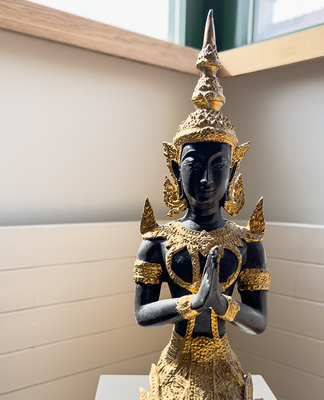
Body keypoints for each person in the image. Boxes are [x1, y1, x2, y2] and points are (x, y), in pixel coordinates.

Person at [134, 10, 270, 400]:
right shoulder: (158, 240)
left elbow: (258, 321)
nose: (207, 180)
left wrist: (223, 305)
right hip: (175, 367)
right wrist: (191, 303)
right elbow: (142, 314)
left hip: (224, 368)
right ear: (176, 171)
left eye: (219, 167)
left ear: (234, 170)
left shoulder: (246, 242)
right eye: (194, 167)